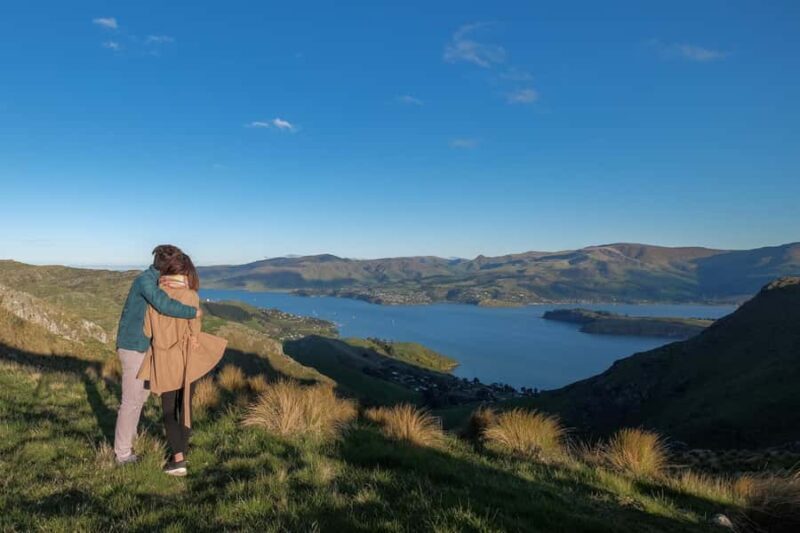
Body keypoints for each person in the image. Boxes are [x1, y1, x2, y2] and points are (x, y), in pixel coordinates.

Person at [137, 252, 226, 476]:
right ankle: (180, 455)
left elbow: (147, 330)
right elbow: (195, 328)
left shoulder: (156, 296)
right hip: (187, 357)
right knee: (185, 407)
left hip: (164, 359)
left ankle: (178, 459)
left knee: (168, 411)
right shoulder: (190, 296)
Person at [113, 245, 202, 465]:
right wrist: (194, 312)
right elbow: (163, 305)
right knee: (131, 401)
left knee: (140, 398)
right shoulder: (145, 281)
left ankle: (131, 441)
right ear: (167, 264)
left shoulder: (154, 280)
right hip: (134, 346)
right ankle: (122, 454)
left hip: (143, 348)